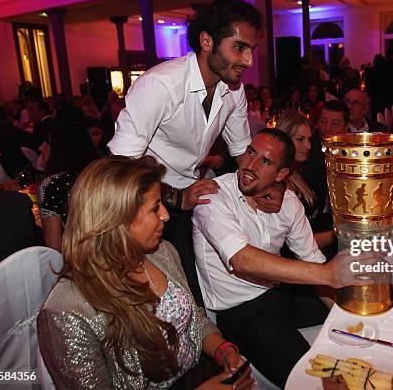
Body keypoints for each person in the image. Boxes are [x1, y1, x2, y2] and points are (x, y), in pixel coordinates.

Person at [107, 0, 282, 306]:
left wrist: (270, 184)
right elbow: (121, 165)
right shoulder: (159, 85)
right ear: (206, 41)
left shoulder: (233, 90)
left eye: (251, 50)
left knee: (191, 289)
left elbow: (243, 151)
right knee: (153, 294)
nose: (248, 61)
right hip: (142, 201)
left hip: (189, 195)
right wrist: (175, 197)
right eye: (238, 47)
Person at [37, 155, 253, 389]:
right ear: (116, 220)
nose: (166, 215)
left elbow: (193, 319)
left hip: (200, 372)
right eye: (154, 208)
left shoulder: (162, 253)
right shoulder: (68, 309)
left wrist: (223, 349)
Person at [192, 129, 368, 388]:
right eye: (251, 152)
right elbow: (240, 259)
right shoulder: (214, 194)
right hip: (242, 310)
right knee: (317, 380)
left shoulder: (287, 201)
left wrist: (346, 315)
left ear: (282, 175)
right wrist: (327, 274)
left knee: (363, 324)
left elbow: (311, 258)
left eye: (266, 161)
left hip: (281, 294)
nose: (250, 165)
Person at [37, 122, 101, 251]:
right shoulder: (101, 173)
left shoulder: (51, 183)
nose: (40, 147)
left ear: (60, 149)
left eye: (47, 143)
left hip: (82, 262)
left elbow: (54, 245)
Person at [276, 111, 335, 249]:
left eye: (309, 139)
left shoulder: (299, 169)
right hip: (296, 259)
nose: (308, 146)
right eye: (300, 139)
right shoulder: (279, 184)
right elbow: (295, 244)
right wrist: (339, 234)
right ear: (284, 140)